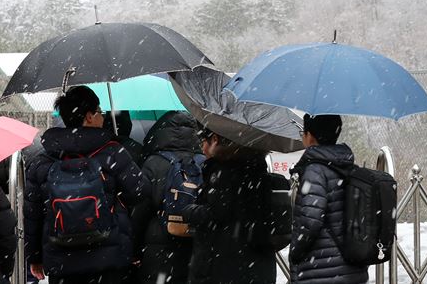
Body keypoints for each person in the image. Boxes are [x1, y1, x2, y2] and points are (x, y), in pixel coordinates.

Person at [24, 85, 148, 284]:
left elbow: (33, 214)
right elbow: (140, 192)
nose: (102, 117)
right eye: (99, 111)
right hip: (109, 256)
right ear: (89, 116)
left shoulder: (44, 159)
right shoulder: (112, 153)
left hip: (62, 260)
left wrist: (35, 256)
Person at [183, 127, 277, 284]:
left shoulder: (223, 171)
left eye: (203, 142)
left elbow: (217, 212)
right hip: (259, 264)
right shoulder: (258, 169)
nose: (202, 148)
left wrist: (189, 211)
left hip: (224, 263)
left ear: (215, 139)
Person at [288, 114, 368, 284]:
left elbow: (311, 221)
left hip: (319, 270)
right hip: (351, 268)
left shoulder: (315, 170)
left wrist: (295, 251)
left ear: (309, 136)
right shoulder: (347, 166)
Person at [131, 110, 202, 284]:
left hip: (159, 245)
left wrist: (133, 248)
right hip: (196, 245)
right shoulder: (204, 162)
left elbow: (140, 212)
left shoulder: (153, 163)